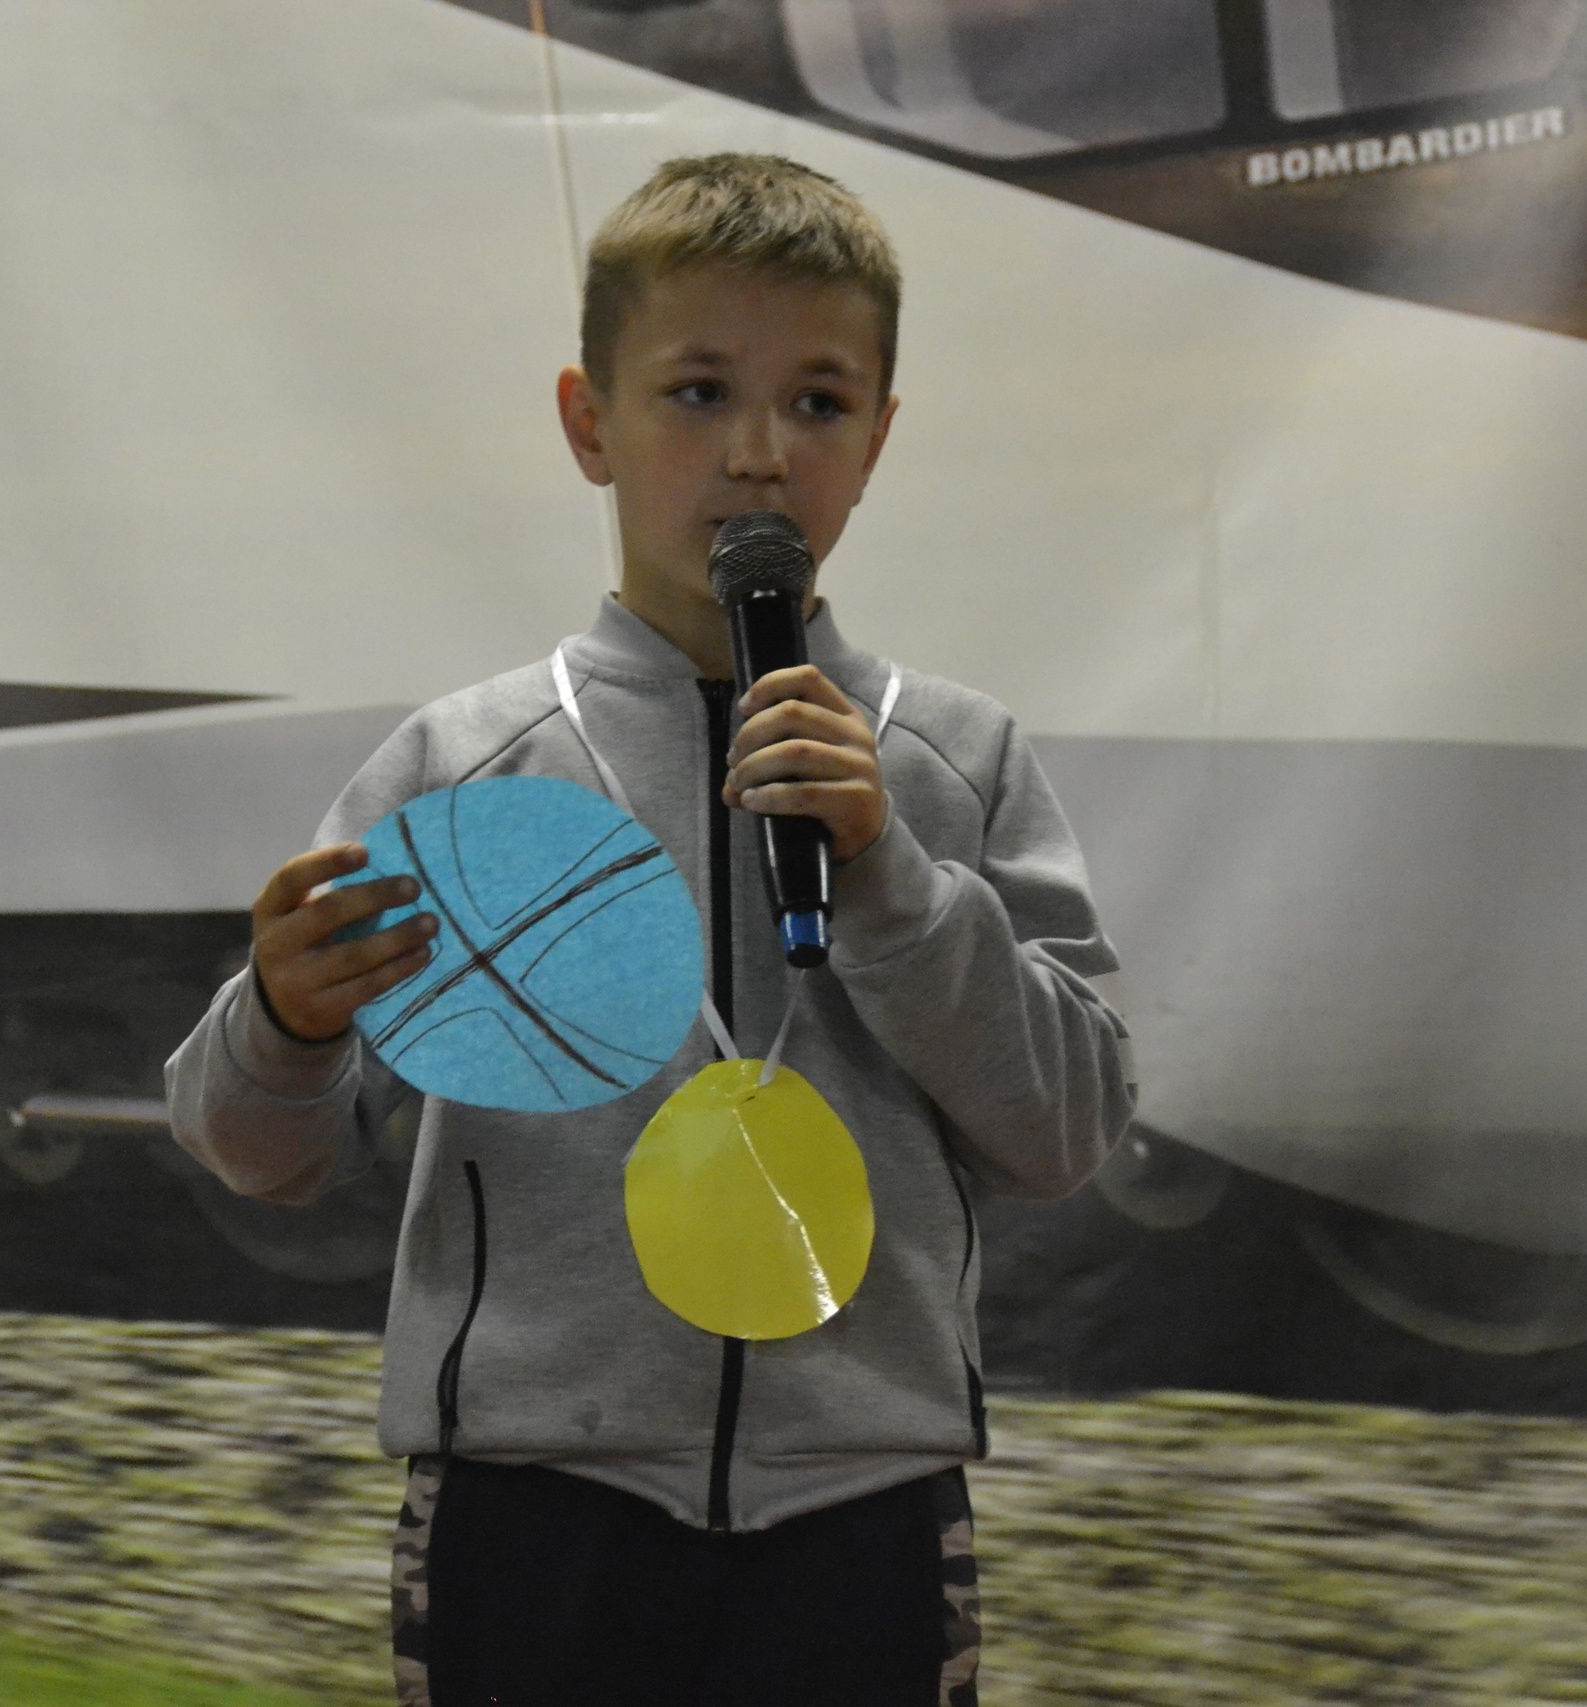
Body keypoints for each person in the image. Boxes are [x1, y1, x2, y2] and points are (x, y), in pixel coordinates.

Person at [165, 152, 1135, 1707]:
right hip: (532, 1506)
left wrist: (889, 878)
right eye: (697, 393)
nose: (759, 453)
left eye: (819, 404)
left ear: (879, 443)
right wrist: (280, 1025)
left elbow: (1068, 1132)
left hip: (862, 1505)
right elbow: (260, 1153)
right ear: (588, 424)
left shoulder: (953, 763)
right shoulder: (466, 770)